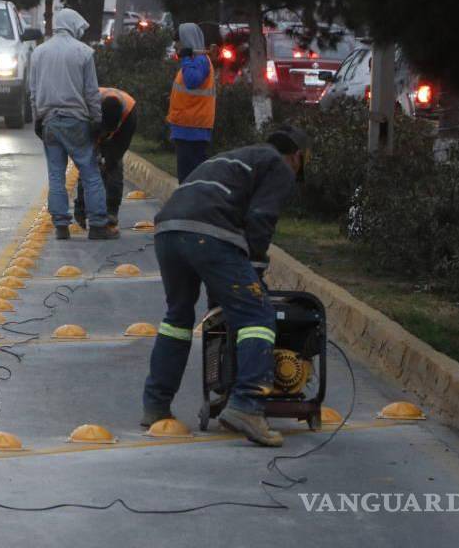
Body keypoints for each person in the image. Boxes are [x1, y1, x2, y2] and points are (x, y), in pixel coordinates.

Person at [142, 125, 311, 447]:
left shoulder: (236, 158)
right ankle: (247, 404)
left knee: (177, 318)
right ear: (298, 156)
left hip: (168, 230)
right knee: (257, 316)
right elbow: (261, 219)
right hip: (208, 233)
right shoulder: (280, 165)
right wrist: (255, 277)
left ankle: (155, 405)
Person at [29, 8, 118, 241]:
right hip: (77, 121)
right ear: (72, 25)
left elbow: (34, 91)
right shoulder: (84, 53)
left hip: (49, 122)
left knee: (56, 175)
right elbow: (91, 92)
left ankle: (60, 225)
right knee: (89, 172)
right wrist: (97, 120)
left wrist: (37, 118)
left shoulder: (38, 53)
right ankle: (98, 224)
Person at [74, 87, 137, 230]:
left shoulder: (130, 113)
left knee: (114, 167)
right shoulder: (87, 106)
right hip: (92, 125)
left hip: (118, 132)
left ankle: (111, 212)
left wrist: (108, 162)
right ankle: (81, 209)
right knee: (88, 166)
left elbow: (119, 150)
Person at [167, 23, 216, 181]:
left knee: (190, 177)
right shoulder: (195, 60)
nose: (175, 45)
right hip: (186, 126)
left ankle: (191, 204)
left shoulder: (200, 60)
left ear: (187, 41)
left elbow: (192, 81)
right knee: (186, 175)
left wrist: (186, 58)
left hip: (193, 128)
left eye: (178, 41)